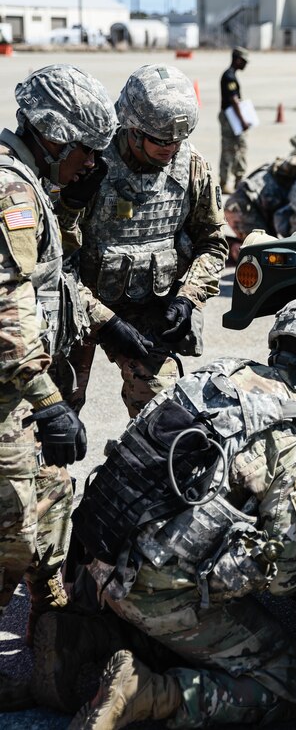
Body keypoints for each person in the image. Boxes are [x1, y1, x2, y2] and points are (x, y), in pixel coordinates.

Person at [29, 295, 296, 729]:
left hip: (98, 558)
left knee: (174, 613)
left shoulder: (213, 376)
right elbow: (287, 578)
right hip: (150, 591)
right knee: (288, 680)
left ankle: (88, 637)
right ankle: (149, 694)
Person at [0, 65, 117, 644]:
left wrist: (111, 325)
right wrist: (49, 402)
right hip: (11, 396)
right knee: (11, 533)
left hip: (20, 393)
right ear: (52, 136)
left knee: (50, 500)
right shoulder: (11, 191)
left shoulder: (34, 185)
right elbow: (7, 307)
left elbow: (54, 280)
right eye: (87, 151)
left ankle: (52, 617)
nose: (93, 164)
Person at [66, 64, 227, 418]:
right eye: (160, 140)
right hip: (80, 309)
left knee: (162, 413)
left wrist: (188, 298)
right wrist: (103, 321)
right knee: (57, 412)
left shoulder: (192, 167)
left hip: (145, 311)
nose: (171, 148)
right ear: (133, 130)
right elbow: (56, 263)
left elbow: (213, 245)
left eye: (178, 140)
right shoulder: (89, 165)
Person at [224, 125, 296, 248]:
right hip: (244, 208)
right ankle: (232, 249)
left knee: (272, 249)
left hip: (249, 206)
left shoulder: (294, 162)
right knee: (262, 252)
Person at [219, 46, 250, 194]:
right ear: (237, 60)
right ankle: (232, 181)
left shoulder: (230, 75)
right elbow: (234, 101)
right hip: (231, 117)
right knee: (235, 148)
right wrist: (243, 120)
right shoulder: (229, 76)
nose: (246, 64)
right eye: (244, 61)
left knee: (230, 148)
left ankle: (229, 181)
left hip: (230, 116)